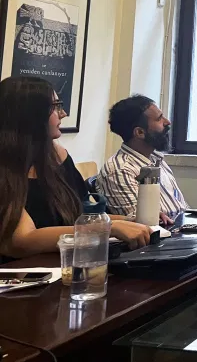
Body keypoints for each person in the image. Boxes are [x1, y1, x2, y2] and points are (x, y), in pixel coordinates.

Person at [0, 77, 152, 258]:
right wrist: (107, 228)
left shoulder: (56, 155)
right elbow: (22, 239)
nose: (63, 113)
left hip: (68, 262)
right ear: (31, 114)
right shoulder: (5, 169)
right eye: (55, 107)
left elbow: (82, 214)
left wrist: (132, 221)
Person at [99, 95, 188, 220]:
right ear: (140, 132)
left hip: (181, 226)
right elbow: (143, 223)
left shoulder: (155, 159)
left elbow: (180, 208)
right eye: (159, 119)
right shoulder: (120, 171)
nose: (167, 122)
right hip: (165, 231)